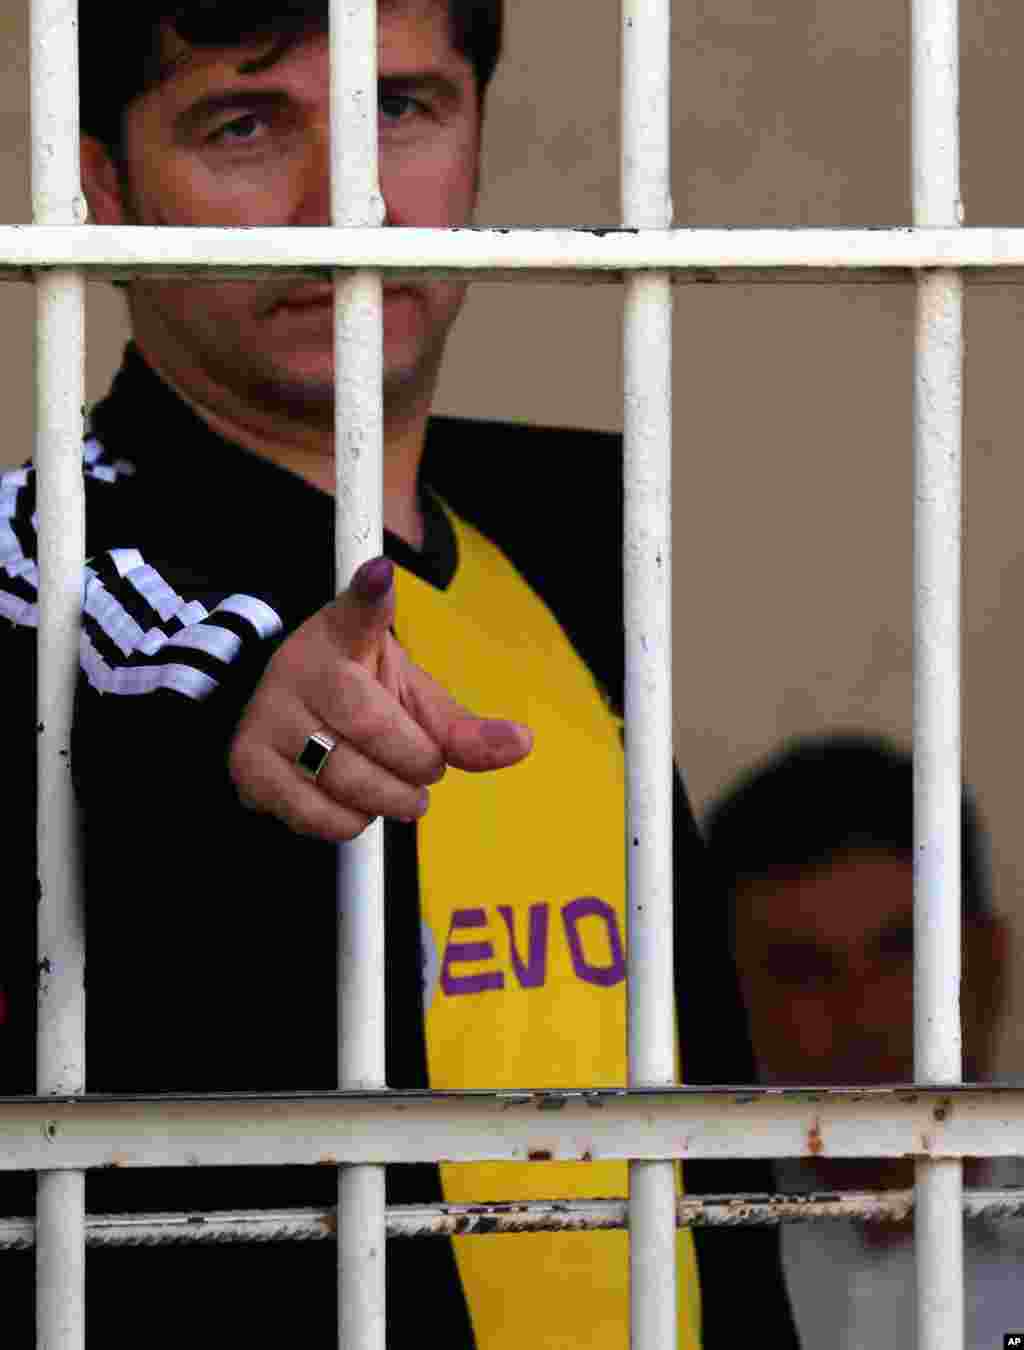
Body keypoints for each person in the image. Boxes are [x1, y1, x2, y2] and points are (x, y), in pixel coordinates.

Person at [1, 2, 798, 1344]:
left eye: (403, 108)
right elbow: (149, 665)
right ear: (101, 190)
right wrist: (271, 723)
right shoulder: (53, 561)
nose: (345, 197)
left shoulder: (560, 547)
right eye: (245, 124)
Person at [703, 733, 1023, 1350]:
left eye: (905, 952)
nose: (863, 1009)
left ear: (989, 962)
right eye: (803, 969)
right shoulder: (671, 1239)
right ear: (732, 999)